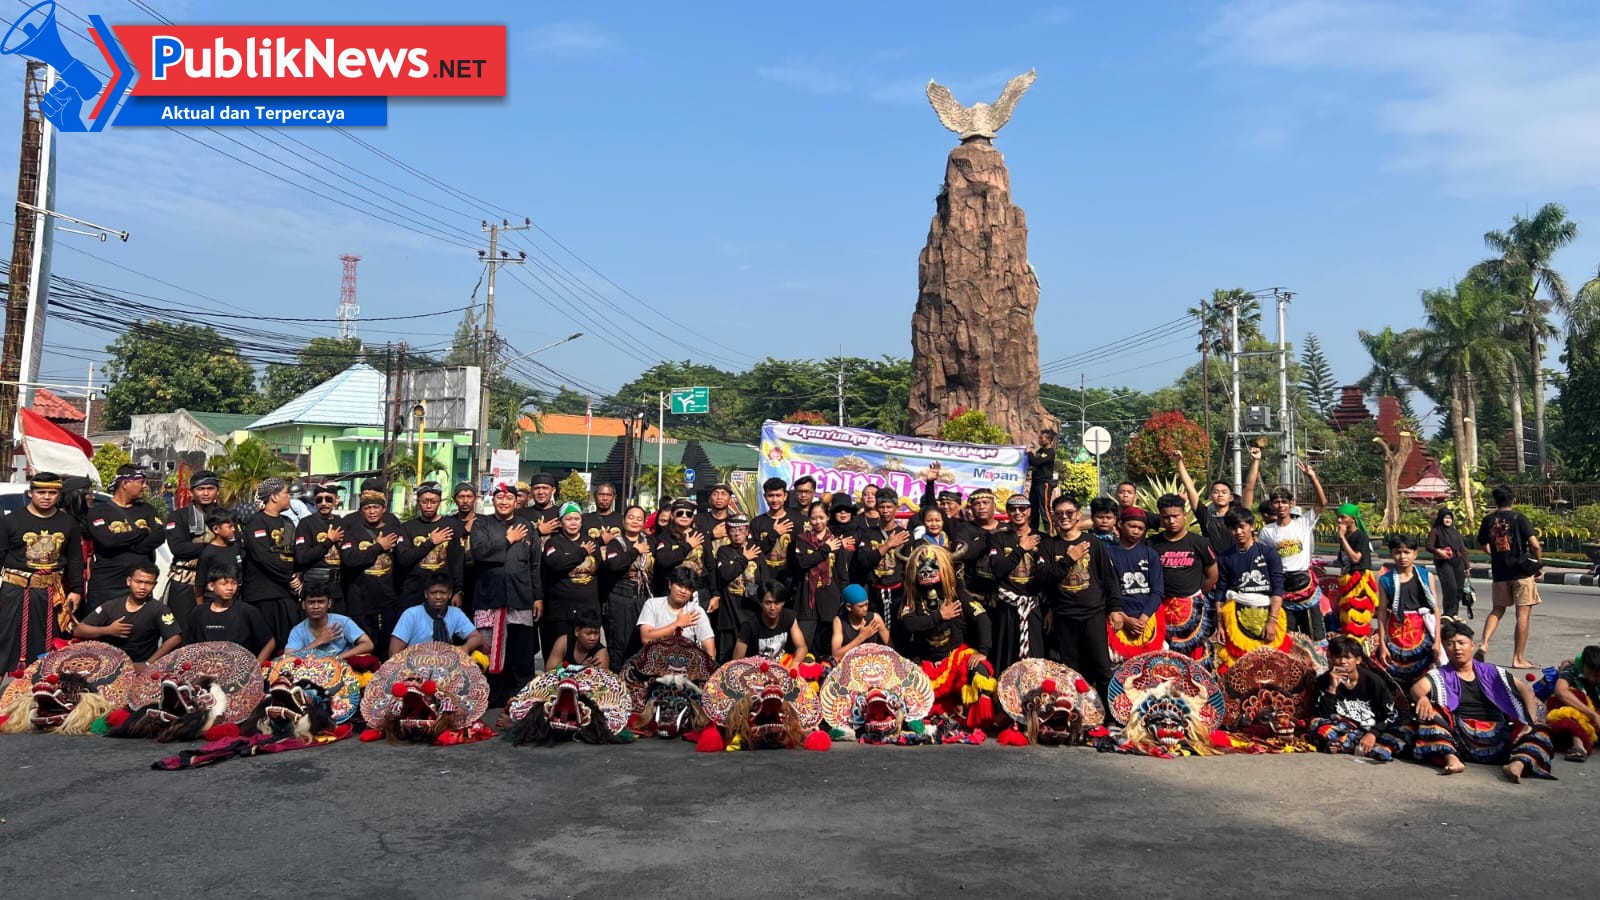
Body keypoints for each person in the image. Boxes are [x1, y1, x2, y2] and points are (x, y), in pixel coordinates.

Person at [1411, 620, 1554, 781]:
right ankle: (1452, 759)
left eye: (1461, 643)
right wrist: (1422, 698)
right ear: (1444, 648)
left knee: (1539, 729)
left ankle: (1517, 765)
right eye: (1450, 644)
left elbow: (1526, 690)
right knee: (1432, 714)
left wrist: (1530, 721)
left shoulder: (1492, 672)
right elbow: (1418, 688)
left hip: (1498, 736)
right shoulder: (1441, 674)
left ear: (1472, 645)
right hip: (1460, 737)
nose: (1457, 648)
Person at [0, 473, 86, 673]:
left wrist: (76, 590)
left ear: (59, 495)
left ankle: (37, 690)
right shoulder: (10, 521)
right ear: (31, 493)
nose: (46, 497)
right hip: (15, 591)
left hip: (49, 593)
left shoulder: (68, 523)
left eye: (52, 492)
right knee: (5, 639)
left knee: (44, 642)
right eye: (41, 492)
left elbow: (75, 559)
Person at [1038, 494, 1121, 696]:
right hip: (1064, 616)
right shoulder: (1049, 545)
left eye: (1069, 513)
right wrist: (1068, 559)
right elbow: (1042, 579)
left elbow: (1109, 578)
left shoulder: (1094, 543)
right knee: (1070, 670)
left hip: (1093, 614)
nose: (1064, 517)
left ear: (1077, 516)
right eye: (1058, 514)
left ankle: (1110, 718)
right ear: (1053, 517)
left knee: (1102, 667)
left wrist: (1116, 608)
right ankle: (1077, 714)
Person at [472, 483, 543, 705]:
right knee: (488, 650)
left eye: (509, 498)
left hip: (520, 597)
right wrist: (507, 540)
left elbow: (534, 565)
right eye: (500, 498)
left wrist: (537, 596)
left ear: (516, 501)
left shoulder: (527, 526)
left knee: (520, 651)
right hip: (489, 597)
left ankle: (521, 696)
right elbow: (480, 553)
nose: (504, 502)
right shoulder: (482, 524)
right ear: (493, 500)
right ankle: (491, 696)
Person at [1252, 447, 1328, 640]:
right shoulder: (1268, 531)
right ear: (1272, 505)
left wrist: (1312, 477)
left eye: (1284, 502)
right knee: (1288, 637)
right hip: (1282, 586)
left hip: (1305, 585)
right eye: (1276, 502)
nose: (1281, 506)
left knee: (1315, 635)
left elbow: (1322, 503)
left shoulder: (1303, 523)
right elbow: (1265, 559)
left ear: (1291, 504)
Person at [1308, 635, 1410, 761]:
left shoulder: (1373, 681)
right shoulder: (1324, 680)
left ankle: (1348, 746)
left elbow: (1391, 714)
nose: (1342, 661)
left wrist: (1372, 733)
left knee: (1403, 734)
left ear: (1358, 660)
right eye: (1338, 657)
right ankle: (1357, 747)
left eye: (1347, 657)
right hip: (1345, 728)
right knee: (1316, 725)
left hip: (1373, 728)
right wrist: (1332, 688)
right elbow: (1322, 716)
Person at [1214, 508, 1289, 669]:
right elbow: (1220, 592)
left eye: (1242, 526)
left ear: (1252, 526)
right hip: (1236, 617)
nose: (1238, 532)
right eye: (1233, 528)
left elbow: (1277, 588)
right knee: (1238, 666)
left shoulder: (1269, 553)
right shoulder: (1224, 557)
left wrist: (1272, 621)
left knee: (1273, 664)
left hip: (1267, 613)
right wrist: (1220, 625)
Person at [1477, 485, 1541, 668]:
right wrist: (1537, 565)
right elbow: (1535, 545)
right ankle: (1518, 658)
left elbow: (1483, 544)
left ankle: (1484, 643)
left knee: (1497, 610)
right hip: (1521, 572)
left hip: (1500, 572)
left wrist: (1496, 556)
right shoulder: (1519, 518)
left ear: (1495, 501)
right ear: (1513, 499)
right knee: (1522, 615)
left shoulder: (1488, 520)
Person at [84, 465, 166, 608]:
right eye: (142, 482)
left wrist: (134, 546)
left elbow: (160, 535)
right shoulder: (99, 511)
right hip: (107, 587)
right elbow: (107, 540)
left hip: (139, 587)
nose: (145, 487)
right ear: (125, 484)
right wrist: (143, 532)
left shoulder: (147, 510)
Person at [1148, 493, 1218, 659]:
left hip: (1192, 606)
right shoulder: (1151, 543)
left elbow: (1212, 575)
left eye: (1175, 516)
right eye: (1166, 517)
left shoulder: (1200, 542)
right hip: (1161, 607)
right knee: (1163, 656)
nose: (1171, 521)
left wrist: (1197, 593)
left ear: (1184, 515)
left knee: (1196, 655)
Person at [987, 494, 1049, 673]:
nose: (1017, 512)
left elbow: (1048, 578)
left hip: (1033, 606)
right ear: (1007, 512)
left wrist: (1049, 608)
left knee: (1035, 656)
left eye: (1022, 509)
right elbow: (997, 570)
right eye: (1013, 509)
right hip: (1007, 605)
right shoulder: (998, 539)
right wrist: (1021, 548)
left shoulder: (1042, 539)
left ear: (1029, 511)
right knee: (1006, 654)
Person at [73, 564, 181, 665]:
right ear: (129, 581)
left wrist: (148, 664)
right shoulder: (111, 606)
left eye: (148, 583)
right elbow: (79, 630)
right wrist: (108, 630)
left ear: (154, 584)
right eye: (138, 582)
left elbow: (175, 638)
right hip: (108, 663)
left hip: (138, 665)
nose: (142, 587)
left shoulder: (159, 609)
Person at [338, 489, 403, 656]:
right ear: (361, 510)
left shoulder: (394, 532)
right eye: (367, 508)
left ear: (383, 509)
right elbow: (350, 559)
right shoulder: (351, 533)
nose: (372, 511)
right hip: (360, 600)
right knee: (363, 648)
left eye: (376, 507)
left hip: (388, 599)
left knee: (386, 646)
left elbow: (403, 560)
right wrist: (378, 547)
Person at [240, 478, 300, 651]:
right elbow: (263, 557)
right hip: (262, 595)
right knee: (265, 644)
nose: (289, 497)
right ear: (273, 497)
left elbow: (295, 554)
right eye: (286, 493)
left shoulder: (288, 523)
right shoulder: (256, 522)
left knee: (288, 643)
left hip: (286, 594)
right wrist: (288, 577)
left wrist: (298, 575)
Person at [1374, 534, 1443, 687]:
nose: (1402, 556)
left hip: (1422, 628)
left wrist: (1437, 641)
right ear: (1392, 554)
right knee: (1394, 673)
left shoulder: (1426, 576)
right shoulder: (1386, 580)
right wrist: (1383, 645)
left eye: (1407, 552)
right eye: (1398, 552)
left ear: (1415, 554)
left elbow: (1435, 609)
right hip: (1396, 630)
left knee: (1427, 672)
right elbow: (1382, 612)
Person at [540, 501, 602, 662]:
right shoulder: (553, 543)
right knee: (560, 655)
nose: (573, 523)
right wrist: (581, 552)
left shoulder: (591, 542)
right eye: (568, 519)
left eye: (576, 518)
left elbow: (600, 572)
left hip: (588, 610)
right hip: (561, 611)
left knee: (587, 655)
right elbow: (556, 564)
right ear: (561, 522)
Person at [161, 469, 223, 631]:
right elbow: (179, 548)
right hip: (185, 580)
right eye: (200, 489)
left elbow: (234, 545)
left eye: (210, 488)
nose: (206, 493)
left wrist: (200, 553)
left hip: (217, 581)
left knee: (214, 629)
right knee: (182, 629)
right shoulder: (178, 516)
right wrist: (213, 546)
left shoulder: (226, 516)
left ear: (217, 490)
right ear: (191, 492)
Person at [1106, 505, 1166, 661]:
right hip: (1119, 619)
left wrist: (1143, 619)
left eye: (1140, 528)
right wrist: (1125, 619)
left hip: (1147, 619)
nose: (1136, 531)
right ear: (1120, 524)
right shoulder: (1108, 554)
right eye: (1132, 526)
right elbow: (1106, 590)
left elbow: (1158, 591)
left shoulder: (1150, 554)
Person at [792, 498, 851, 653]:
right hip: (807, 598)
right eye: (813, 518)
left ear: (828, 517)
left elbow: (842, 575)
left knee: (827, 645)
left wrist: (843, 600)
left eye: (821, 518)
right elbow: (803, 562)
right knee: (805, 642)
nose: (817, 522)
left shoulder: (836, 542)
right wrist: (825, 549)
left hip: (830, 598)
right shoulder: (801, 539)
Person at [601, 504, 654, 670]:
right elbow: (614, 565)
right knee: (619, 644)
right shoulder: (615, 543)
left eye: (639, 519)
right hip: (621, 599)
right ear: (623, 521)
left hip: (644, 598)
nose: (634, 522)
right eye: (631, 517)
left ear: (644, 522)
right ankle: (618, 681)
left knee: (642, 643)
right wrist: (634, 551)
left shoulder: (649, 541)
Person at [185, 566, 275, 663]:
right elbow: (189, 646)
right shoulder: (198, 613)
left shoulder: (248, 612)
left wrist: (255, 667)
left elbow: (269, 642)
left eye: (234, 583)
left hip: (238, 669)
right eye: (224, 584)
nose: (230, 588)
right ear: (211, 586)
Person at [396, 481, 464, 609]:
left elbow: (458, 563)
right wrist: (430, 542)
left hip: (443, 592)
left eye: (433, 502)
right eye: (424, 502)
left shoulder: (452, 526)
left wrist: (458, 591)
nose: (428, 506)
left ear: (439, 502)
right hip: (413, 593)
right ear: (418, 502)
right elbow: (404, 559)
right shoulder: (407, 527)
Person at [390, 573, 484, 657]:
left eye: (443, 593)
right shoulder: (411, 614)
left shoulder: (455, 613)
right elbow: (393, 653)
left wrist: (465, 648)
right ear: (426, 594)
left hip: (444, 665)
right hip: (414, 667)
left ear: (450, 594)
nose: (438, 597)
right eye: (433, 593)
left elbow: (477, 638)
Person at [853, 489, 911, 622]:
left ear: (896, 508)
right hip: (873, 594)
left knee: (897, 633)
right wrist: (888, 545)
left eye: (889, 507)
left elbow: (910, 568)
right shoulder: (867, 533)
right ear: (877, 508)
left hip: (898, 593)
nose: (885, 511)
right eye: (882, 507)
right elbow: (863, 561)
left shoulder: (905, 535)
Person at [637, 566, 715, 658]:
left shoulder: (696, 612)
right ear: (670, 584)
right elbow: (646, 638)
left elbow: (710, 651)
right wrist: (677, 625)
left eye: (688, 588)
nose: (683, 591)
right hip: (656, 662)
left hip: (686, 665)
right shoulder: (652, 604)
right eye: (680, 585)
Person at [1175, 450, 1240, 558]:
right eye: (1216, 492)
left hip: (1235, 561)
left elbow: (1249, 489)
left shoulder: (1237, 516)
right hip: (1212, 564)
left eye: (1224, 492)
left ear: (1231, 497)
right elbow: (1190, 488)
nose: (1220, 495)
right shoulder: (1205, 516)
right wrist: (1179, 462)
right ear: (1210, 496)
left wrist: (1255, 461)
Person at [711, 514, 759, 662]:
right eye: (733, 530)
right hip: (729, 614)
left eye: (741, 530)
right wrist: (744, 559)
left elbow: (765, 579)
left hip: (751, 611)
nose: (737, 534)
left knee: (751, 658)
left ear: (747, 531)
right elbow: (725, 574)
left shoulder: (755, 549)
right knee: (727, 658)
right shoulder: (724, 551)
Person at [284, 583, 374, 661]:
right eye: (311, 602)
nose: (316, 606)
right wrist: (319, 641)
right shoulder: (298, 630)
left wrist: (337, 658)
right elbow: (288, 658)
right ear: (304, 605)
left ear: (329, 603)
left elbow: (368, 644)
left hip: (343, 668)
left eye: (321, 602)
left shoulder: (343, 622)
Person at [293, 483, 346, 609]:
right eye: (319, 500)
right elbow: (302, 557)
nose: (323, 503)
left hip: (338, 586)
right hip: (315, 585)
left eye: (328, 499)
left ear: (336, 500)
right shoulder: (306, 523)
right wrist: (328, 541)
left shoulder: (342, 522)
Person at [732, 580, 809, 662]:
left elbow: (802, 647)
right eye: (768, 603)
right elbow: (736, 661)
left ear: (783, 603)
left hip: (783, 665)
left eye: (776, 603)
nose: (772, 608)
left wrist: (794, 665)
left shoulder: (789, 617)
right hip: (757, 670)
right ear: (760, 603)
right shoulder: (749, 626)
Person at [1548, 645, 1600, 762]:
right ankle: (1578, 746)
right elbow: (1561, 691)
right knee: (1574, 699)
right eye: (1591, 672)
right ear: (1585, 665)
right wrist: (1593, 715)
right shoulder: (1572, 670)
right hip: (1581, 716)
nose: (1593, 677)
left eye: (1597, 674)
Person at [651, 497, 707, 596]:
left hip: (696, 592)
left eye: (688, 514)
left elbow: (710, 567)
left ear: (692, 517)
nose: (684, 516)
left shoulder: (700, 536)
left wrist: (715, 594)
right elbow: (663, 561)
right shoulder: (665, 536)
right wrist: (688, 545)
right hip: (668, 592)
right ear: (672, 516)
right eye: (680, 513)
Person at [751, 477, 798, 589]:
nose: (774, 500)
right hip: (765, 580)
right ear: (765, 497)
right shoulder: (757, 522)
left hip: (791, 580)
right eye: (770, 495)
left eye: (778, 495)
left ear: (785, 496)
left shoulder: (797, 520)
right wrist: (774, 533)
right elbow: (755, 552)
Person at [1426, 508, 1472, 619]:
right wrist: (1438, 551)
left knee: (1459, 588)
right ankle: (1448, 613)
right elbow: (1429, 546)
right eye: (1445, 518)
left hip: (1458, 562)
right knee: (1450, 587)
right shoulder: (1436, 531)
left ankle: (1454, 613)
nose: (1448, 520)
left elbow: (1462, 549)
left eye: (1449, 518)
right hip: (1444, 562)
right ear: (1441, 519)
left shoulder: (1455, 532)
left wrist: (1467, 566)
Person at [831, 582, 889, 659]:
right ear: (849, 607)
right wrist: (861, 637)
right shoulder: (839, 622)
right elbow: (836, 655)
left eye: (867, 604)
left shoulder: (875, 618)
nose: (865, 609)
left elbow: (890, 646)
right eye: (860, 606)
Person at [196, 509, 242, 603]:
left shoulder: (235, 547)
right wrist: (201, 609)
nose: (233, 529)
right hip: (215, 602)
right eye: (230, 527)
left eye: (234, 526)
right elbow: (199, 585)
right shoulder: (208, 553)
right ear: (216, 529)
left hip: (235, 600)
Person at [1027, 429, 1059, 532]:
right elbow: (1033, 464)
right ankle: (1033, 531)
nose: (1039, 440)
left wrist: (1029, 453)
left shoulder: (1050, 452)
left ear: (1049, 440)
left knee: (1044, 509)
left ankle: (1049, 533)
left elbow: (1036, 462)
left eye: (1042, 438)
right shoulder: (1040, 451)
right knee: (1033, 509)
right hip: (1035, 483)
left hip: (1044, 484)